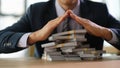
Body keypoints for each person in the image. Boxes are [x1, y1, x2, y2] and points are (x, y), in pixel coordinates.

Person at [0, 0, 120, 58]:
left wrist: (105, 32)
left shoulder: (99, 10)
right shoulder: (36, 11)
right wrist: (34, 36)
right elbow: (2, 38)